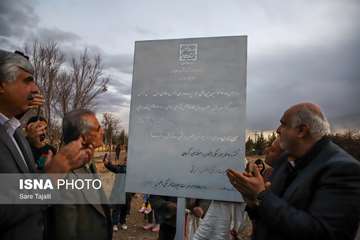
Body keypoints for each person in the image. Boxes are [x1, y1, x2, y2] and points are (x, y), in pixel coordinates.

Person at [227, 102, 360, 240]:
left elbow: (323, 233)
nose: (278, 130)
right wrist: (253, 202)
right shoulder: (285, 160)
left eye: (283, 124)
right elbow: (268, 216)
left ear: (302, 131)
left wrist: (262, 195)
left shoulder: (342, 169)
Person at [0, 49, 92, 240]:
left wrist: (49, 171)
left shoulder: (14, 132)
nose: (35, 89)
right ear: (2, 85)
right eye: (27, 80)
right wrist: (52, 176)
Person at [50, 109, 112, 240]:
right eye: (98, 129)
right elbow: (65, 233)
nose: (102, 132)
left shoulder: (87, 163)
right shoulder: (65, 175)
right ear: (83, 138)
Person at [103, 151, 132, 232]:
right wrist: (107, 163)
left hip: (127, 194)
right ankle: (114, 223)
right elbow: (113, 168)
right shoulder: (121, 168)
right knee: (117, 208)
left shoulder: (134, 171)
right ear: (125, 161)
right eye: (126, 161)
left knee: (125, 209)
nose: (127, 162)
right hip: (119, 192)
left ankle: (123, 222)